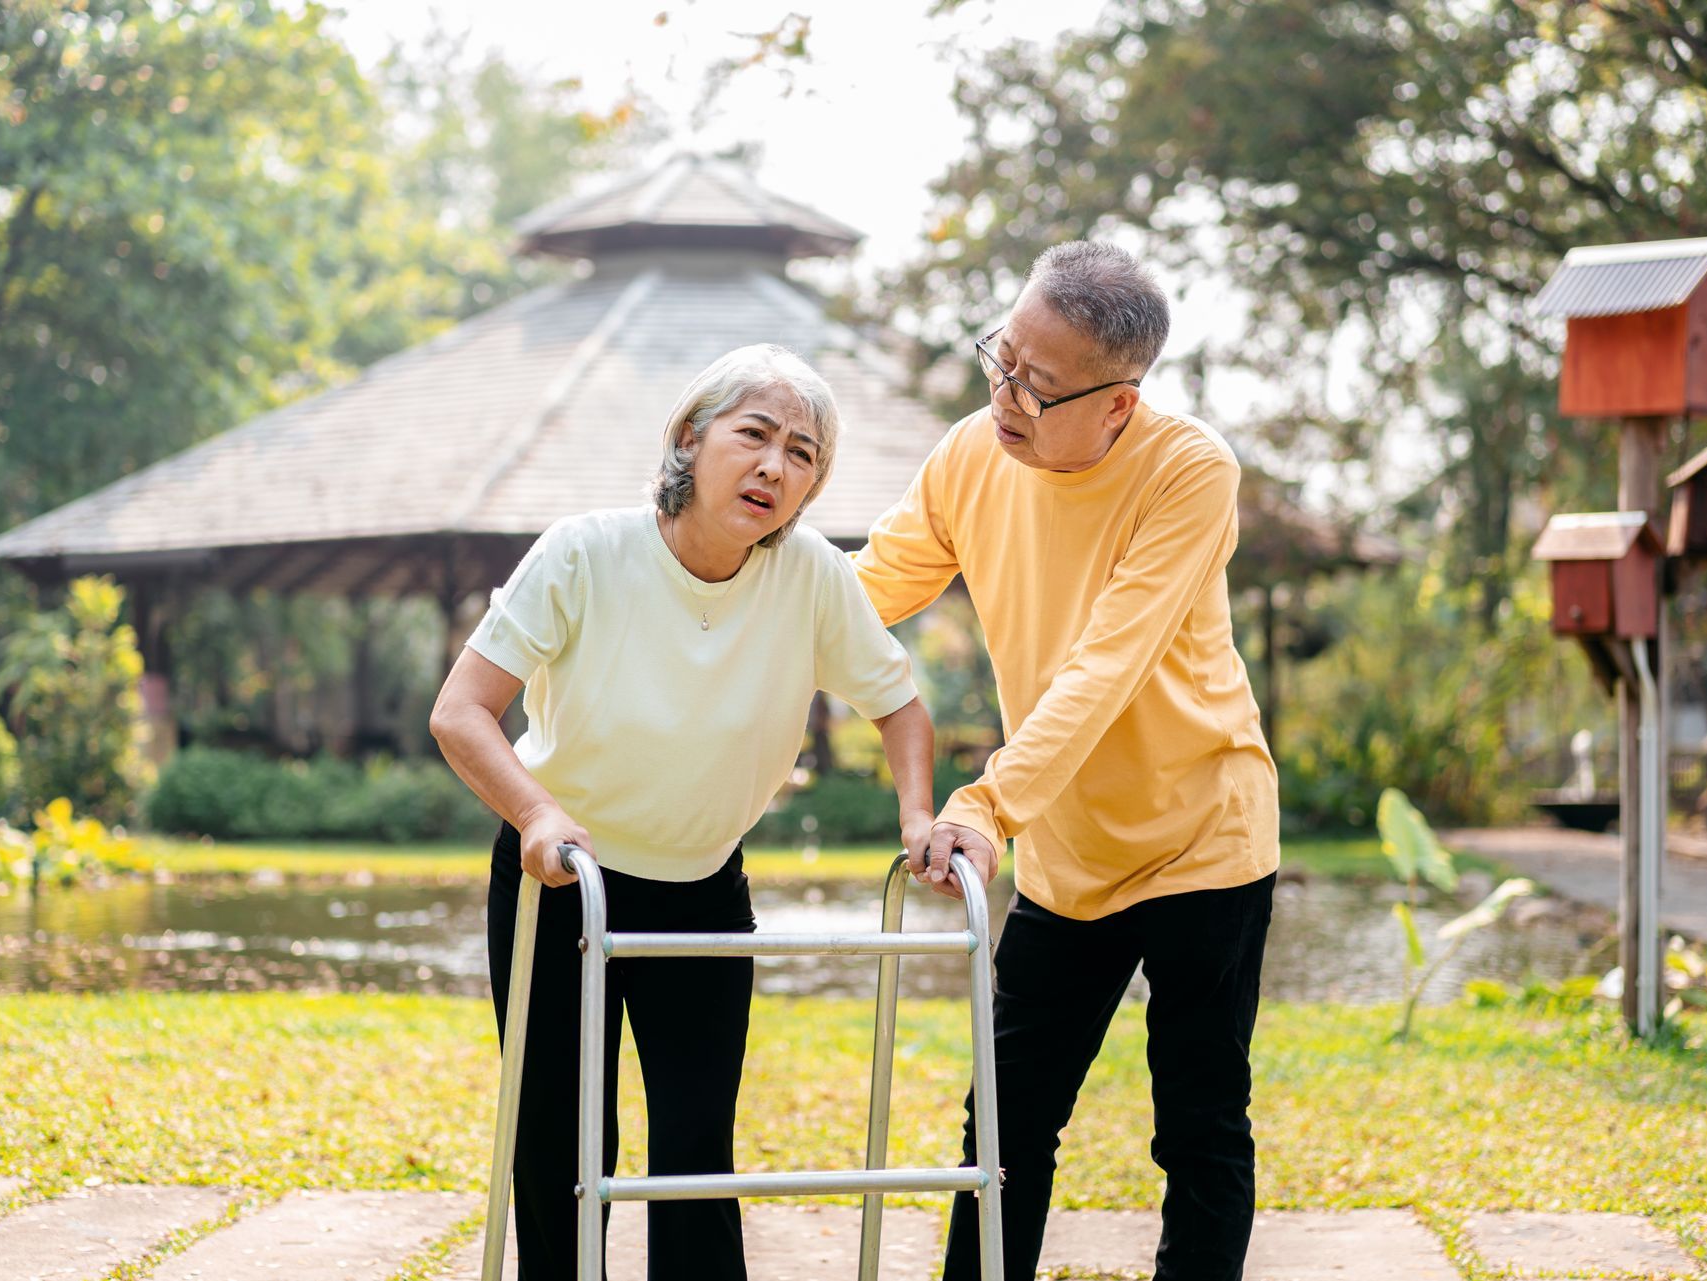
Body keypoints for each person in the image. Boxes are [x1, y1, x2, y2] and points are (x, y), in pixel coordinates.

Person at [429, 344, 935, 1281]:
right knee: (562, 1137)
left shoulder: (813, 576)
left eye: (804, 453)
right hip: (562, 878)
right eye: (755, 435)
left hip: (703, 882)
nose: (776, 466)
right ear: (689, 438)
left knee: (698, 1145)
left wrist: (915, 817)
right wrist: (536, 814)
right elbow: (461, 711)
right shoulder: (584, 550)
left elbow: (900, 705)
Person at [857, 241, 1279, 1281]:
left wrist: (991, 804)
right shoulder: (968, 457)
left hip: (1203, 841)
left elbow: (1104, 667)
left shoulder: (1189, 470)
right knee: (1002, 1128)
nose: (1007, 395)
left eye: (1038, 385)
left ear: (1118, 405)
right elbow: (861, 593)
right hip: (1065, 857)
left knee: (1198, 1123)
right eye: (1001, 358)